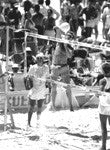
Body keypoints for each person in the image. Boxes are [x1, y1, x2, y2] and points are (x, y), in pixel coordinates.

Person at [51, 22, 74, 111]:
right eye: (68, 36)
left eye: (70, 37)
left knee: (68, 87)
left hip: (64, 67)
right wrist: (57, 29)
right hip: (55, 66)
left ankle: (71, 105)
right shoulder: (59, 43)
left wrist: (66, 45)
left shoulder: (69, 47)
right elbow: (58, 36)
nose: (68, 38)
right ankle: (53, 105)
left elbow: (69, 56)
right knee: (53, 87)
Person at [27, 52, 50, 127]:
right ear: (36, 59)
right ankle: (29, 123)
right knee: (31, 107)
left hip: (42, 89)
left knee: (40, 107)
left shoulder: (46, 67)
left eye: (41, 58)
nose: (39, 59)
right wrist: (31, 78)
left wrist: (49, 86)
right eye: (38, 58)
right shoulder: (32, 67)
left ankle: (38, 121)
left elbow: (48, 77)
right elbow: (28, 77)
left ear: (43, 59)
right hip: (34, 89)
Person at [97, 62, 110, 150]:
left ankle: (103, 146)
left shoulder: (103, 80)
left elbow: (100, 93)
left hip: (104, 105)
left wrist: (97, 94)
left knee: (103, 127)